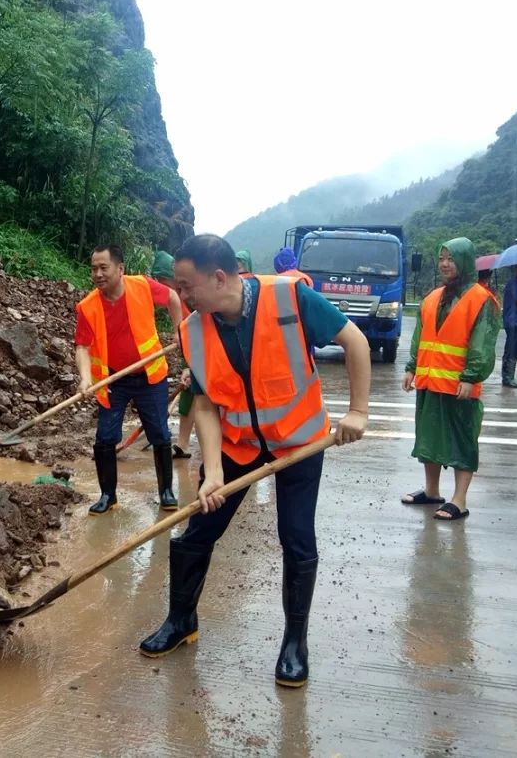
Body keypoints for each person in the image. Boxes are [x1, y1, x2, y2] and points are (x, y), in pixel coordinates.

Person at [138, 234, 370, 689]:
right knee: (196, 533)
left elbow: (354, 341)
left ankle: (294, 643)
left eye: (186, 286)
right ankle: (181, 620)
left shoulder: (289, 297)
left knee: (297, 540)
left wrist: (358, 411)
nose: (180, 296)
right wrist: (215, 472)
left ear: (219, 277)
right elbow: (203, 403)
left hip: (299, 443)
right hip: (239, 445)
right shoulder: (193, 329)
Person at [75, 245, 185, 514]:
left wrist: (179, 330)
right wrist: (85, 378)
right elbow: (82, 347)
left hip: (150, 375)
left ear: (120, 268)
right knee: (105, 437)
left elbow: (172, 297)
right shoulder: (87, 306)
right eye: (94, 269)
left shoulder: (142, 286)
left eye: (104, 267)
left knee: (159, 432)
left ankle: (166, 492)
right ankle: (108, 496)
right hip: (113, 379)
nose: (98, 274)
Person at [401, 237, 498, 520]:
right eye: (442, 258)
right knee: (428, 438)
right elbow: (420, 337)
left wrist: (471, 376)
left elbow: (482, 343)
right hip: (430, 381)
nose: (445, 264)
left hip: (460, 385)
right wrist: (411, 367)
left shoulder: (482, 300)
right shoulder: (432, 297)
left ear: (465, 262)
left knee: (462, 441)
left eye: (451, 258)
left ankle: (460, 500)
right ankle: (431, 491)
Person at [150, 250, 195, 459]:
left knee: (201, 395)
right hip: (193, 350)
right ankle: (183, 444)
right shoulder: (173, 295)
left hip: (207, 350)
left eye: (162, 279)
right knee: (190, 392)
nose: (160, 284)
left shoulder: (191, 294)